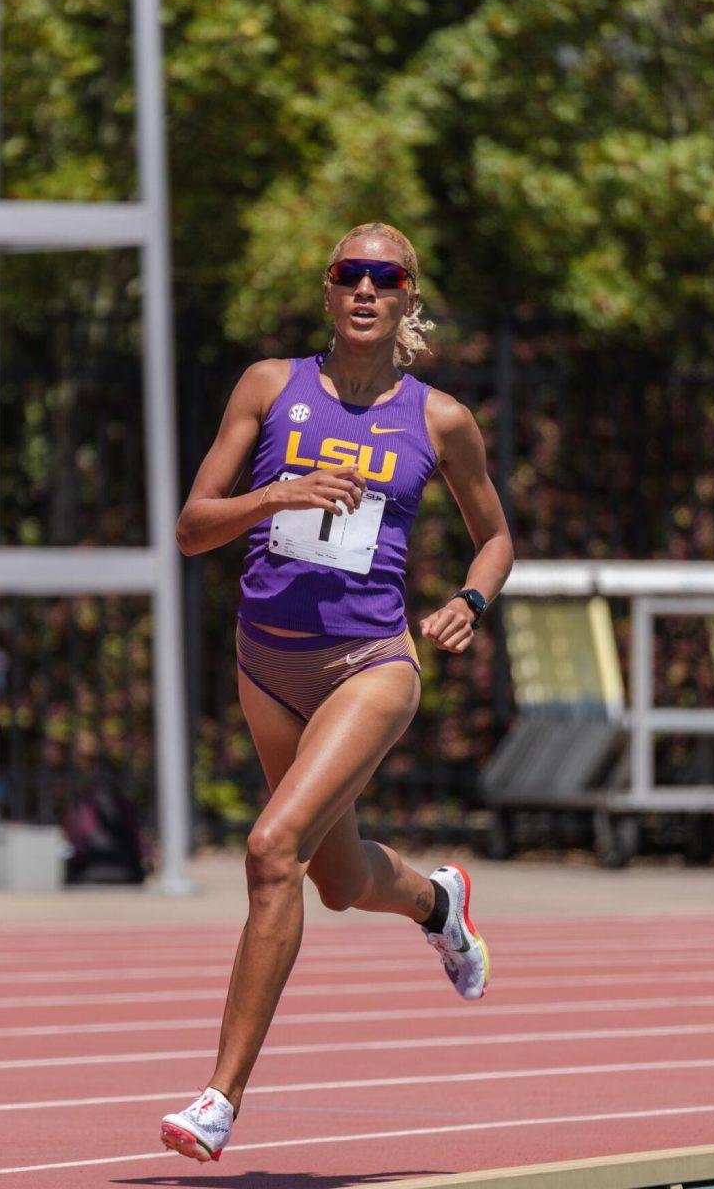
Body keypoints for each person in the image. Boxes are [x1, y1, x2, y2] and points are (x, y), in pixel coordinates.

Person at [160, 222, 514, 1163]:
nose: (366, 288)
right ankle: (438, 904)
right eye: (350, 273)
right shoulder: (270, 387)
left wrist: (471, 600)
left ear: (407, 298)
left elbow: (496, 535)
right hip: (266, 663)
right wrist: (274, 496)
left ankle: (218, 1100)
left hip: (370, 666)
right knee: (339, 878)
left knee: (273, 847)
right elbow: (193, 527)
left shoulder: (438, 419)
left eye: (384, 276)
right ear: (328, 290)